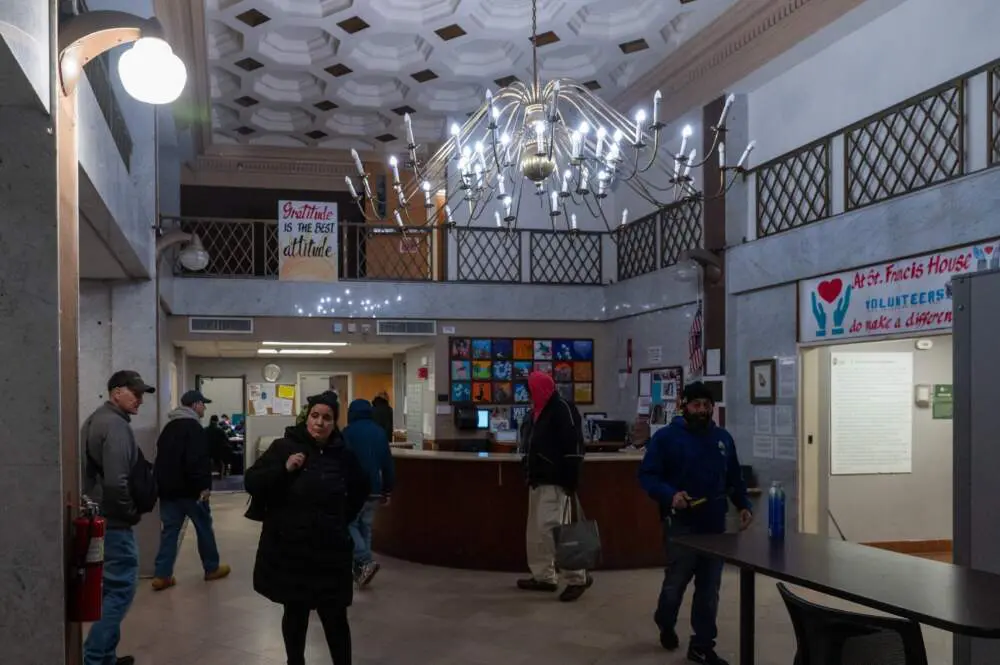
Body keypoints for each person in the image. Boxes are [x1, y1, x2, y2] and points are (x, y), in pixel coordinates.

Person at [245, 391, 370, 665]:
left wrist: (340, 519)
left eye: (327, 418)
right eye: (315, 416)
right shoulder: (284, 447)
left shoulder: (343, 455)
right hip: (293, 549)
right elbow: (252, 481)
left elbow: (361, 488)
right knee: (296, 613)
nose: (320, 423)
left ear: (335, 422)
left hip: (330, 550)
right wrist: (285, 469)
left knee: (335, 615)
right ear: (307, 417)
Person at [638, 381, 753, 665]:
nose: (702, 411)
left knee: (709, 589)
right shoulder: (666, 438)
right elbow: (648, 476)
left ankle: (702, 645)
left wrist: (743, 505)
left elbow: (734, 478)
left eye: (706, 406)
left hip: (714, 526)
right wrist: (670, 495)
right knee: (675, 585)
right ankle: (665, 621)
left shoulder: (723, 439)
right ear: (684, 406)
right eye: (696, 405)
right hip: (681, 525)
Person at [81, 370, 157, 665]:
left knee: (110, 589)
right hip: (114, 522)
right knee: (121, 590)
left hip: (100, 516)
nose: (139, 400)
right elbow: (116, 481)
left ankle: (106, 657)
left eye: (141, 394)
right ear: (116, 393)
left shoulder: (95, 419)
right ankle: (95, 658)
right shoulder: (115, 426)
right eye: (134, 393)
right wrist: (129, 513)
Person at [516, 371, 591, 602]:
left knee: (553, 531)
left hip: (556, 482)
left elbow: (574, 448)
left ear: (539, 389)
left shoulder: (562, 409)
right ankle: (544, 576)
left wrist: (571, 481)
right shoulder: (536, 412)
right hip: (537, 481)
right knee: (536, 533)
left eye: (529, 390)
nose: (527, 394)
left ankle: (578, 577)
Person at [151, 390, 232, 591]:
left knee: (170, 532)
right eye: (203, 404)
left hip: (169, 492)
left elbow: (160, 460)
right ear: (195, 405)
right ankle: (211, 568)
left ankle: (162, 575)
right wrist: (203, 487)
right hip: (191, 492)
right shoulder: (194, 428)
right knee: (204, 528)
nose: (204, 407)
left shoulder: (168, 428)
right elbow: (197, 461)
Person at [342, 398, 396, 587]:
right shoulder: (379, 432)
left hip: (354, 489)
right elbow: (387, 463)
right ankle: (362, 571)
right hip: (375, 487)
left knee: (349, 524)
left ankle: (365, 561)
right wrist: (388, 489)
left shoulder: (347, 432)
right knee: (365, 526)